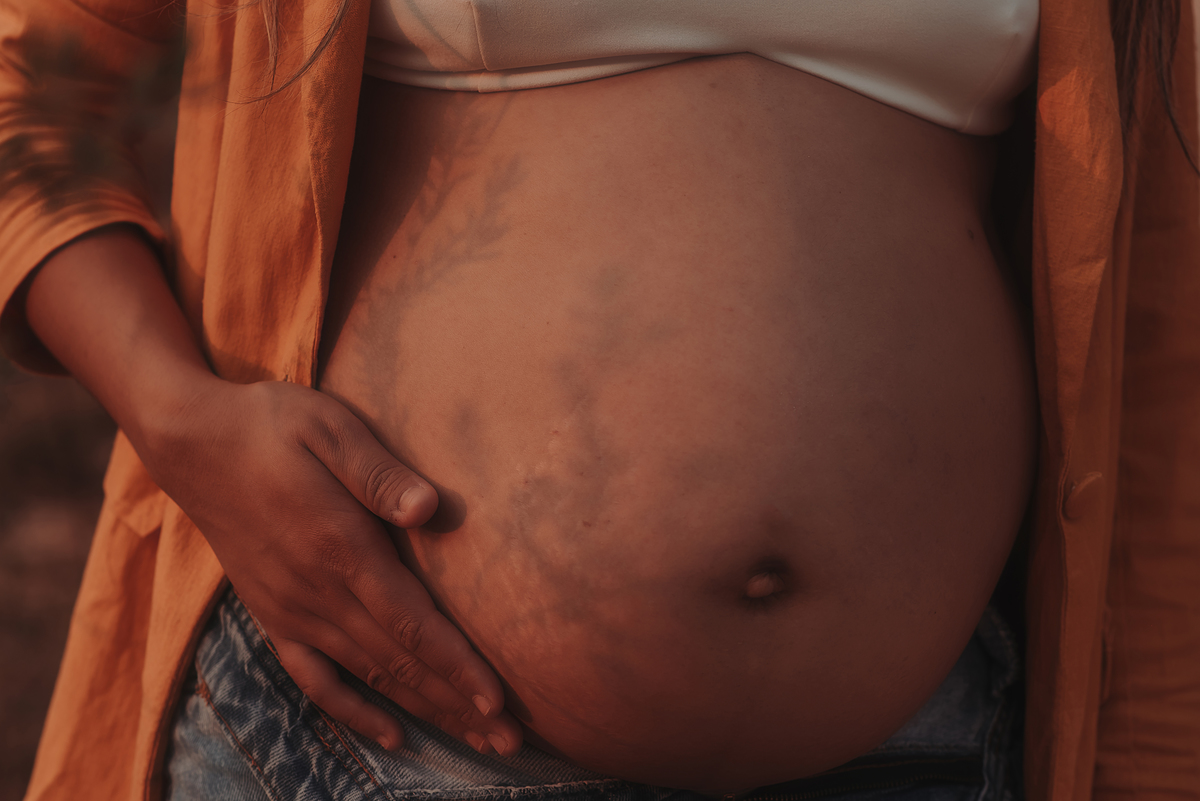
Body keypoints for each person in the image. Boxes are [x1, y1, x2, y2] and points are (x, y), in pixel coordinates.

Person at [1, 0, 1197, 799]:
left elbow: (1164, 357)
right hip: (393, 738)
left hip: (929, 746)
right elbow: (29, 83)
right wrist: (182, 422)